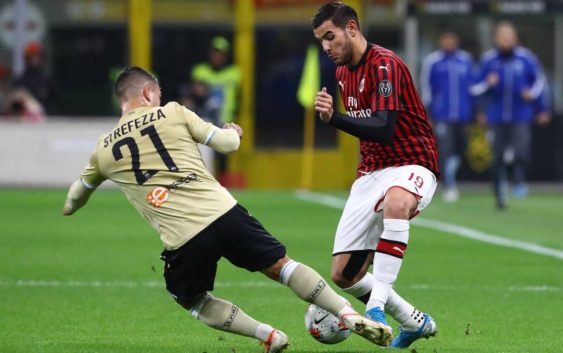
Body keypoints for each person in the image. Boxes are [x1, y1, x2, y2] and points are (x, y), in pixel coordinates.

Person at [63, 66, 393, 352]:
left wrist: (70, 207)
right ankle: (348, 314)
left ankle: (268, 335)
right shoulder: (174, 112)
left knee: (193, 300)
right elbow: (226, 144)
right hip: (225, 213)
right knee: (282, 266)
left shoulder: (103, 149)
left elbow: (79, 192)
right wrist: (232, 132)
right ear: (148, 92)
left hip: (183, 238)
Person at [312, 2, 439, 349]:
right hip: (371, 171)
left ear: (351, 28)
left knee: (397, 202)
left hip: (413, 161)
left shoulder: (386, 65)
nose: (326, 46)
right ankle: (414, 322)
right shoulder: (341, 74)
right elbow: (369, 132)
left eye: (329, 36)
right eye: (321, 40)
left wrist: (333, 119)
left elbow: (384, 128)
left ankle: (377, 309)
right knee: (344, 274)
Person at [470, 21, 550, 209]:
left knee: (521, 151)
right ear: (497, 39)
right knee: (496, 157)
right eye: (502, 37)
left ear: (515, 38)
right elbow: (475, 88)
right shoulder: (489, 60)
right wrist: (487, 86)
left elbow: (539, 84)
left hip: (520, 114)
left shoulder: (526, 59)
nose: (506, 40)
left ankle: (518, 180)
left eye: (509, 36)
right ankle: (499, 194)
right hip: (496, 116)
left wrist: (540, 107)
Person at [420, 30, 476, 202]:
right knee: (445, 149)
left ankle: (450, 174)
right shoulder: (433, 61)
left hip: (463, 115)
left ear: (456, 41)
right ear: (441, 41)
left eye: (452, 39)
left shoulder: (466, 60)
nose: (449, 43)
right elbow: (426, 89)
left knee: (461, 148)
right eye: (446, 39)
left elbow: (474, 87)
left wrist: (477, 109)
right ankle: (449, 185)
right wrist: (428, 113)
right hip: (442, 115)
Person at [191, 37, 241, 177]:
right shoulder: (201, 71)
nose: (217, 56)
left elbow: (239, 97)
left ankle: (223, 185)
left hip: (225, 120)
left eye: (221, 53)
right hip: (205, 120)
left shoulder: (234, 73)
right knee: (203, 154)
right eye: (215, 52)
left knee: (224, 155)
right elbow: (195, 94)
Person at [13, 41, 56, 114]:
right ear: (27, 58)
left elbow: (54, 102)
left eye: (37, 56)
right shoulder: (20, 80)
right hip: (24, 121)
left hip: (45, 120)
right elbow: (15, 107)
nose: (35, 59)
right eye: (32, 56)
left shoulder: (46, 79)